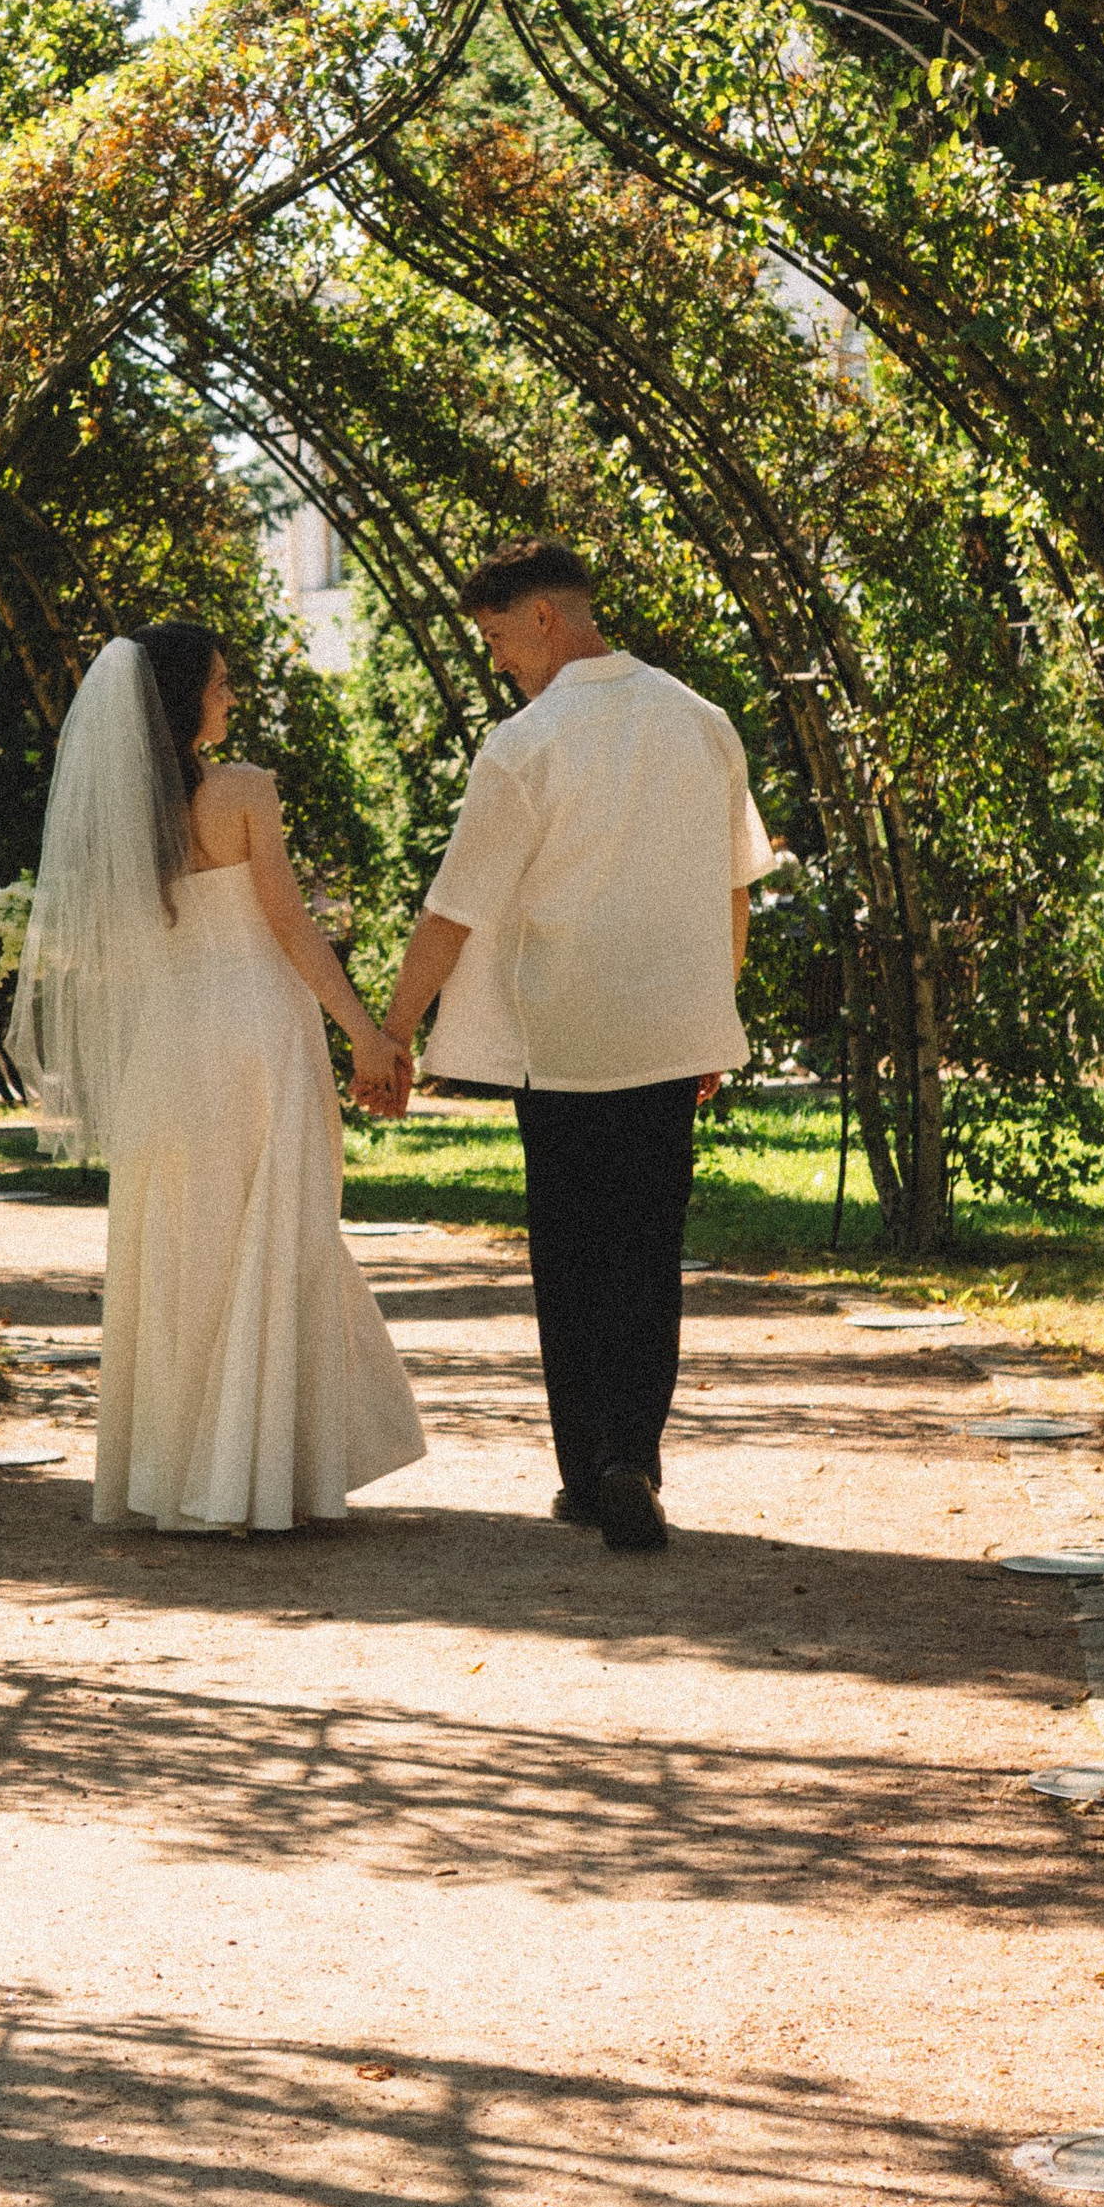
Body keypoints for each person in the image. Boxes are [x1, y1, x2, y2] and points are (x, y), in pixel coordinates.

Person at [377, 541, 777, 1555]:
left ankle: (585, 1469)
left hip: (555, 1040)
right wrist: (711, 1017)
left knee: (570, 1253)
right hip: (667, 1037)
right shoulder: (701, 721)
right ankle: (630, 1460)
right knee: (647, 1253)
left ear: (547, 618)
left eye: (499, 637)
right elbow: (733, 889)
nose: (497, 660)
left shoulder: (528, 743)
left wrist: (390, 1031)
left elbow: (451, 910)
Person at [11, 621, 427, 1534]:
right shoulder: (244, 793)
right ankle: (256, 1473)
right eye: (220, 683)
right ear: (182, 696)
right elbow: (288, 926)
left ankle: (174, 1474)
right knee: (275, 1231)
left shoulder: (125, 818)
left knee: (178, 1247)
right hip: (255, 1033)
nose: (231, 697)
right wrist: (368, 1034)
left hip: (169, 1045)